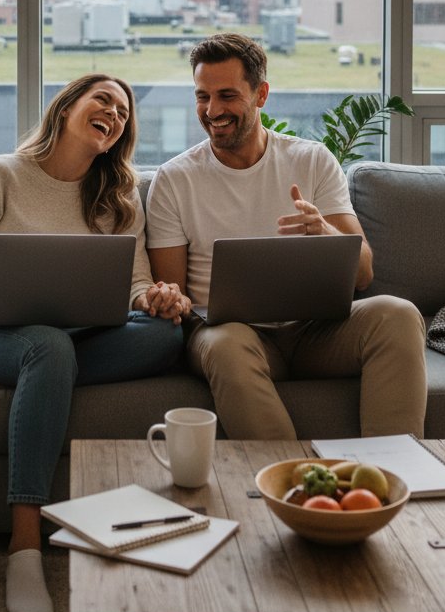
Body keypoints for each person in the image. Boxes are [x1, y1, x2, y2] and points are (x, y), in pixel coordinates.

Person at [0, 73, 190, 612]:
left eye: (124, 112)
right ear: (66, 107)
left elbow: (133, 283)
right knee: (47, 344)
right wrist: (18, 297)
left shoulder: (119, 195)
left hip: (73, 338)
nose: (115, 112)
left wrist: (154, 296)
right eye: (102, 99)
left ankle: (1, 384)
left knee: (166, 337)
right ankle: (25, 546)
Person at [145, 32, 427, 442]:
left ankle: (390, 478)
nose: (212, 110)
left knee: (398, 314)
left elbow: (363, 275)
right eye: (202, 96)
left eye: (227, 95)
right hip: (232, 334)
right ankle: (289, 487)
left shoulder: (311, 160)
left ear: (261, 95)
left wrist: (326, 232)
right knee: (225, 343)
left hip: (316, 333)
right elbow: (177, 294)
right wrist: (169, 298)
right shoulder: (175, 179)